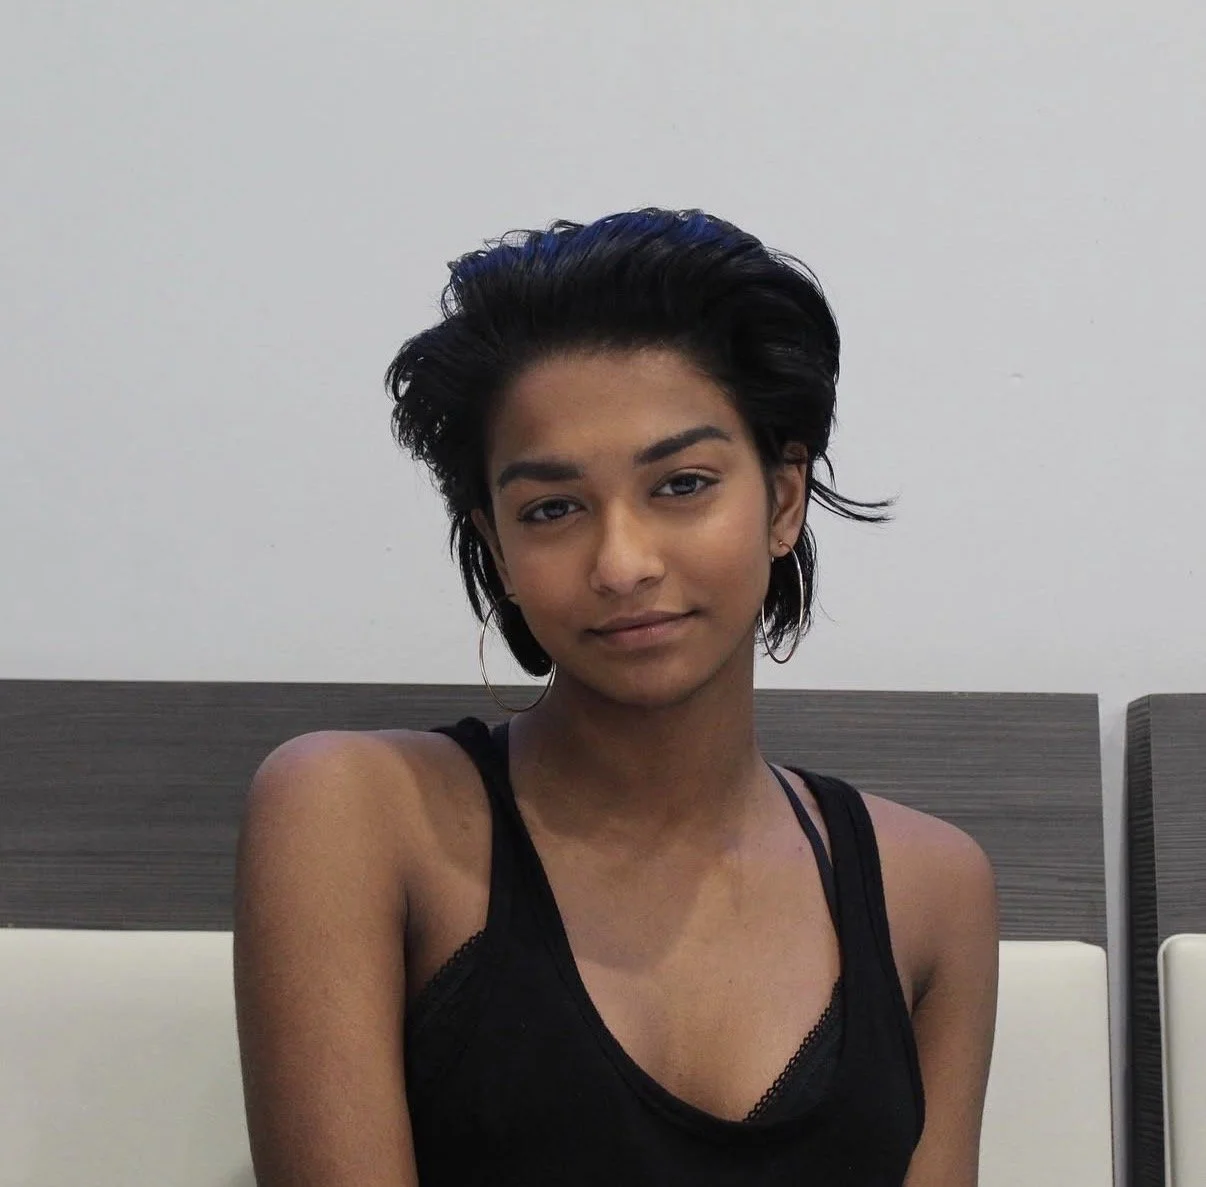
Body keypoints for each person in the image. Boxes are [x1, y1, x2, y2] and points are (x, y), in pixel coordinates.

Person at [232, 207, 999, 1186]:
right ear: (495, 544)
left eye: (681, 484)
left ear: (781, 498)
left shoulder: (930, 886)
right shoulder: (352, 811)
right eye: (552, 508)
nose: (622, 562)